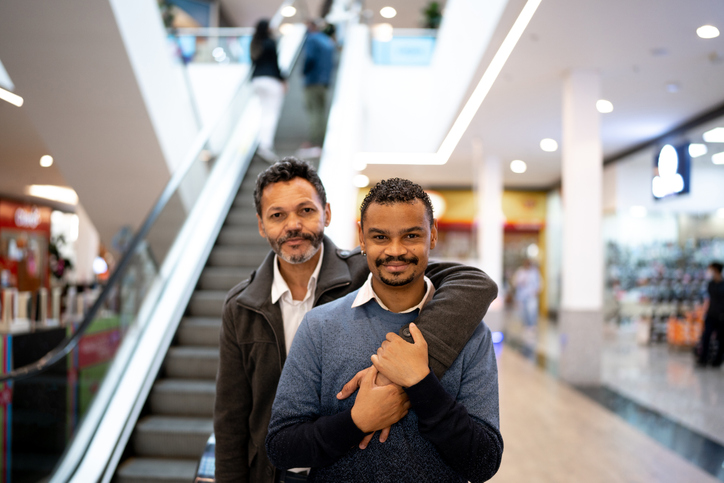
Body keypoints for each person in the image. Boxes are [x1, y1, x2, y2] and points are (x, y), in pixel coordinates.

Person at [214, 159, 498, 483]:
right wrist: (357, 420)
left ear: (327, 214)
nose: (395, 250)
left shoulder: (363, 269)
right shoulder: (248, 307)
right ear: (261, 225)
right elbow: (232, 417)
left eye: (305, 210)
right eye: (278, 215)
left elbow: (465, 281)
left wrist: (415, 375)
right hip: (279, 471)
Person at [250, 19, 285, 156]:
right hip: (271, 80)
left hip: (257, 80)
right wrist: (282, 80)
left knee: (264, 112)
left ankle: (261, 141)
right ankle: (265, 145)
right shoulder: (270, 43)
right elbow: (275, 64)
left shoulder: (254, 44)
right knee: (272, 113)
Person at [300, 20, 335, 153]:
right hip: (324, 82)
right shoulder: (328, 41)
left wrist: (304, 72)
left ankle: (315, 142)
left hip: (313, 80)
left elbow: (310, 57)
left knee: (313, 111)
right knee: (321, 112)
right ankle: (321, 141)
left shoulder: (312, 39)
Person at [696, 261, 724, 367]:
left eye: (711, 269)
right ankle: (703, 358)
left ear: (716, 270)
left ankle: (717, 361)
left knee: (721, 340)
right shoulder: (710, 284)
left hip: (722, 317)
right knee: (706, 336)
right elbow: (708, 300)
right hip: (711, 315)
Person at [513, 258, 541, 328]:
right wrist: (521, 282)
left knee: (531, 312)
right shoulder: (520, 271)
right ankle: (525, 326)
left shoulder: (535, 272)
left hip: (531, 296)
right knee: (523, 313)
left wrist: (536, 291)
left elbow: (539, 284)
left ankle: (531, 326)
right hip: (521, 296)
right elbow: (514, 283)